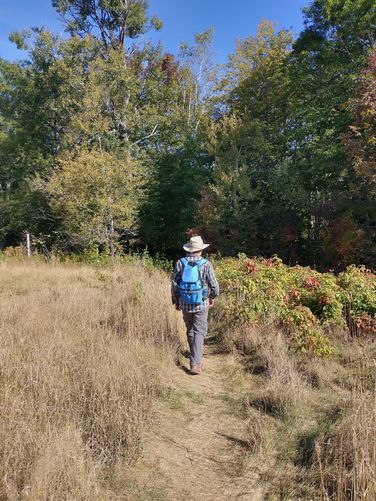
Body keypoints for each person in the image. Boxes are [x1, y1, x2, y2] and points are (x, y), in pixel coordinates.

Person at [171, 235, 219, 375]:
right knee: (199, 331)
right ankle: (195, 364)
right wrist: (211, 297)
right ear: (201, 250)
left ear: (189, 249)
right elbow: (215, 287)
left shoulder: (181, 262)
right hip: (201, 303)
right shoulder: (206, 264)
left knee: (190, 329)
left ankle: (194, 354)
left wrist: (176, 301)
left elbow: (174, 284)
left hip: (185, 302)